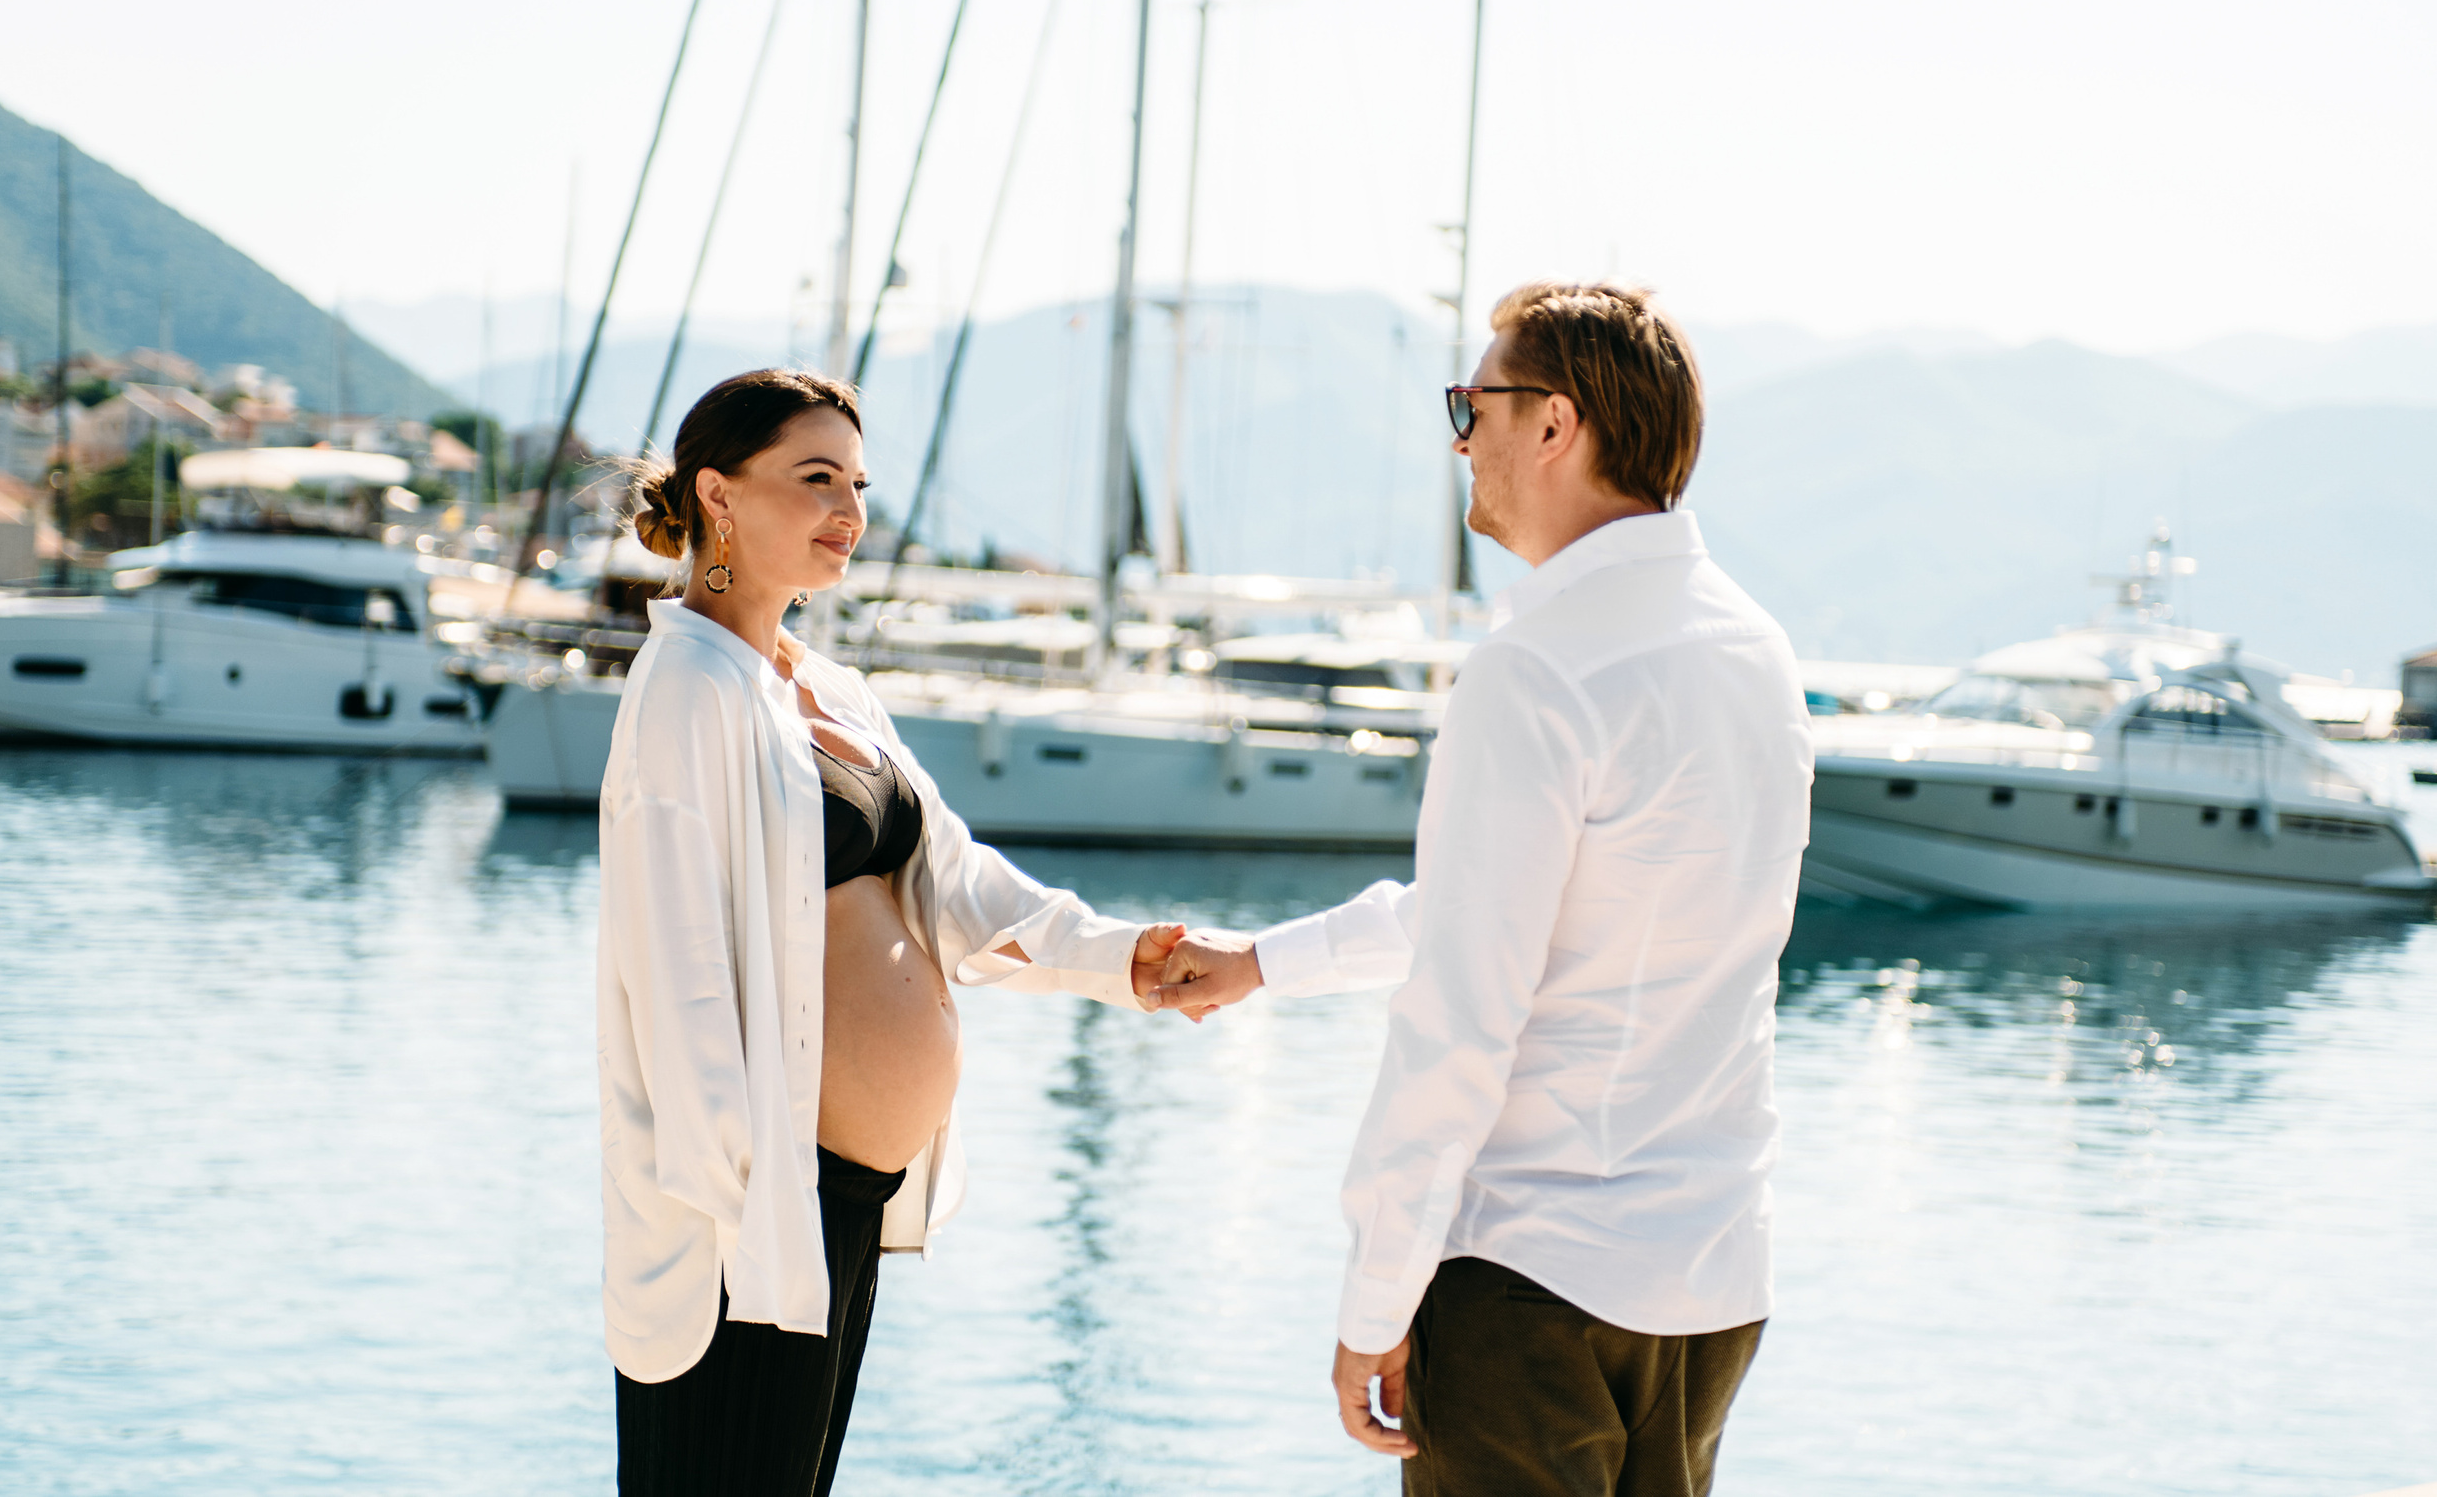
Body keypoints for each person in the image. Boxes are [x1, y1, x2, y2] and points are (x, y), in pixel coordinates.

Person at [1148, 282, 1814, 1497]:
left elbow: (1462, 1015)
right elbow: (1558, 909)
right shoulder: (1750, 650)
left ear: (1554, 425)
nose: (1459, 438)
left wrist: (1374, 1299)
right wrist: (1268, 963)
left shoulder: (1539, 667)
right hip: (1710, 1281)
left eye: (1473, 405)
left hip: (1537, 1286)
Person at [598, 367, 1185, 1496]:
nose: (850, 514)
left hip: (839, 1200)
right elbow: (675, 990)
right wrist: (747, 1221)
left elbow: (959, 889)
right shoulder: (686, 689)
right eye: (815, 480)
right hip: (751, 1225)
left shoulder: (829, 691)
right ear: (717, 495)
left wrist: (1129, 962)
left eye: (858, 485)